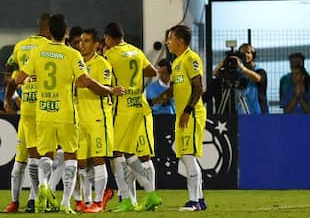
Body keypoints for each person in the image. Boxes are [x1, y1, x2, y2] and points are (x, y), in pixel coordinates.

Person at [6, 14, 122, 214]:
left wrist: (21, 87)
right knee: (71, 157)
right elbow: (85, 81)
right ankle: (66, 203)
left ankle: (43, 184)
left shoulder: (38, 52)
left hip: (44, 113)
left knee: (45, 155)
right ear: (66, 33)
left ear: (49, 32)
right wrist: (109, 90)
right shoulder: (72, 55)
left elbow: (18, 78)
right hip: (67, 113)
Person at [103, 22, 161, 212]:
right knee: (135, 154)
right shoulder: (136, 51)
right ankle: (149, 194)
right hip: (140, 106)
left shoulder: (110, 55)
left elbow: (105, 80)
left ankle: (128, 199)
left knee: (116, 153)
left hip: (122, 109)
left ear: (108, 38)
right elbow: (152, 72)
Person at [2, 13, 52, 214]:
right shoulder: (50, 49)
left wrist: (9, 100)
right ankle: (34, 199)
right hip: (44, 110)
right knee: (38, 158)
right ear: (50, 29)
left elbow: (10, 71)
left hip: (26, 110)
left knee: (20, 161)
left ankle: (14, 202)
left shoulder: (21, 45)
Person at [165, 24, 207, 212]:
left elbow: (199, 87)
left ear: (180, 41)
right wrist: (149, 101)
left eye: (170, 38)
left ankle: (194, 202)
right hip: (181, 116)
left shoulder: (191, 58)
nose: (167, 42)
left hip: (191, 114)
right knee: (184, 157)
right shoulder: (176, 62)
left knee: (188, 157)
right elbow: (171, 92)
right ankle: (200, 198)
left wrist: (188, 110)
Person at [74, 28, 116, 213]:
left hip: (98, 118)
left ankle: (99, 202)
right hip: (79, 120)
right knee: (81, 163)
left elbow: (106, 90)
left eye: (87, 41)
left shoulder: (103, 64)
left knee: (98, 160)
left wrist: (88, 82)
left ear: (97, 44)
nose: (82, 44)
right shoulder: (76, 63)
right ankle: (88, 201)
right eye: (81, 41)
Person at [213, 43, 266, 115]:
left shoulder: (259, 70)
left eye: (248, 52)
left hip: (258, 112)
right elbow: (215, 73)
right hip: (242, 112)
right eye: (242, 54)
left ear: (253, 54)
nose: (246, 55)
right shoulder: (238, 72)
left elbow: (258, 78)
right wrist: (225, 61)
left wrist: (242, 68)